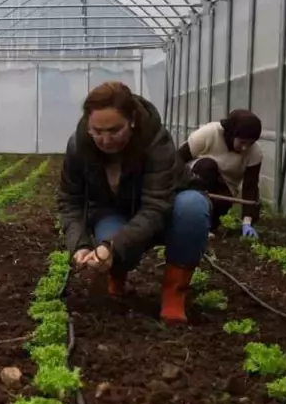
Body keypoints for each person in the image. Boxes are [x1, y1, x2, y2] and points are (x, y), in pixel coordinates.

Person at [57, 81, 211, 325]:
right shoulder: (79, 146)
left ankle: (174, 293)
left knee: (192, 206)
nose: (106, 140)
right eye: (97, 131)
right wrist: (79, 245)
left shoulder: (156, 143)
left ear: (132, 120)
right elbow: (70, 200)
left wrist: (113, 246)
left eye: (114, 130)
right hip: (114, 211)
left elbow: (156, 206)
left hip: (167, 212)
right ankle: (116, 275)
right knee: (113, 246)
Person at [179, 109, 263, 239]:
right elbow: (177, 160)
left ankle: (208, 225)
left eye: (250, 143)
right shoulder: (208, 134)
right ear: (231, 133)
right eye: (242, 142)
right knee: (207, 166)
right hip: (195, 183)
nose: (245, 148)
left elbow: (250, 186)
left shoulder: (255, 153)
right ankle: (191, 217)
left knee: (223, 202)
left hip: (223, 190)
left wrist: (247, 222)